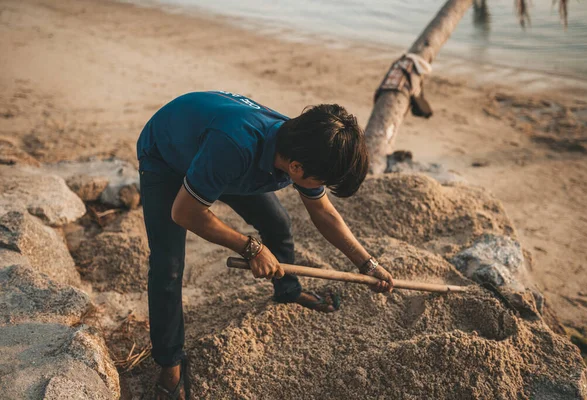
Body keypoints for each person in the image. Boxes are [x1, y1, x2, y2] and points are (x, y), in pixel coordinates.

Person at [137, 91, 394, 400]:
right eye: (321, 182)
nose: (320, 189)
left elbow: (324, 212)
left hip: (217, 155)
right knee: (168, 266)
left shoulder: (302, 143)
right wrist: (251, 248)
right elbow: (185, 212)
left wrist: (368, 264)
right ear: (296, 169)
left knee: (278, 224)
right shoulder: (236, 147)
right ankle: (170, 364)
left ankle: (288, 291)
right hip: (167, 155)